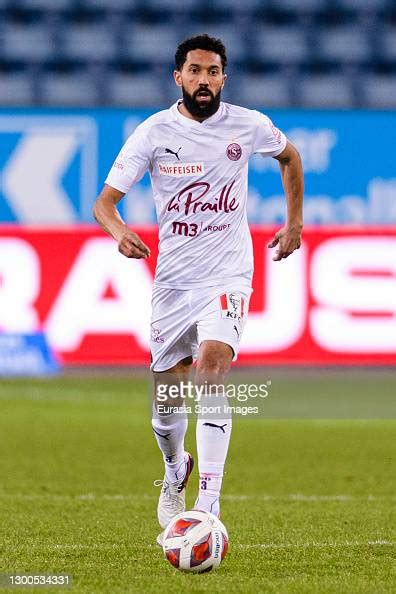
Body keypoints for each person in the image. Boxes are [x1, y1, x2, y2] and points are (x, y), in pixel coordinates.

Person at [93, 34, 304, 546]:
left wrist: (294, 222)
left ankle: (207, 505)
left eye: (213, 71)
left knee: (211, 369)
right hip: (173, 284)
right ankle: (174, 467)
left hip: (228, 275)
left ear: (223, 78)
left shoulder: (247, 124)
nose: (204, 79)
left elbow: (290, 157)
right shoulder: (153, 132)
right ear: (178, 77)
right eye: (195, 71)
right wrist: (120, 232)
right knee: (166, 407)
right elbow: (105, 203)